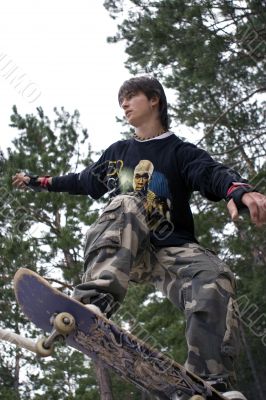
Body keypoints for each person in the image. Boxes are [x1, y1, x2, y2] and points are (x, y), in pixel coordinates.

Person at [13, 76, 266, 400]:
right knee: (128, 201)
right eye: (121, 100)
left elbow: (211, 173)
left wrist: (237, 190)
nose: (125, 104)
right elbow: (81, 180)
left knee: (214, 276)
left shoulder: (179, 151)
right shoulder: (120, 154)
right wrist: (38, 181)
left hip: (172, 249)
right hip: (125, 242)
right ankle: (94, 302)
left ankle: (209, 380)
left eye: (131, 97)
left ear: (155, 100)